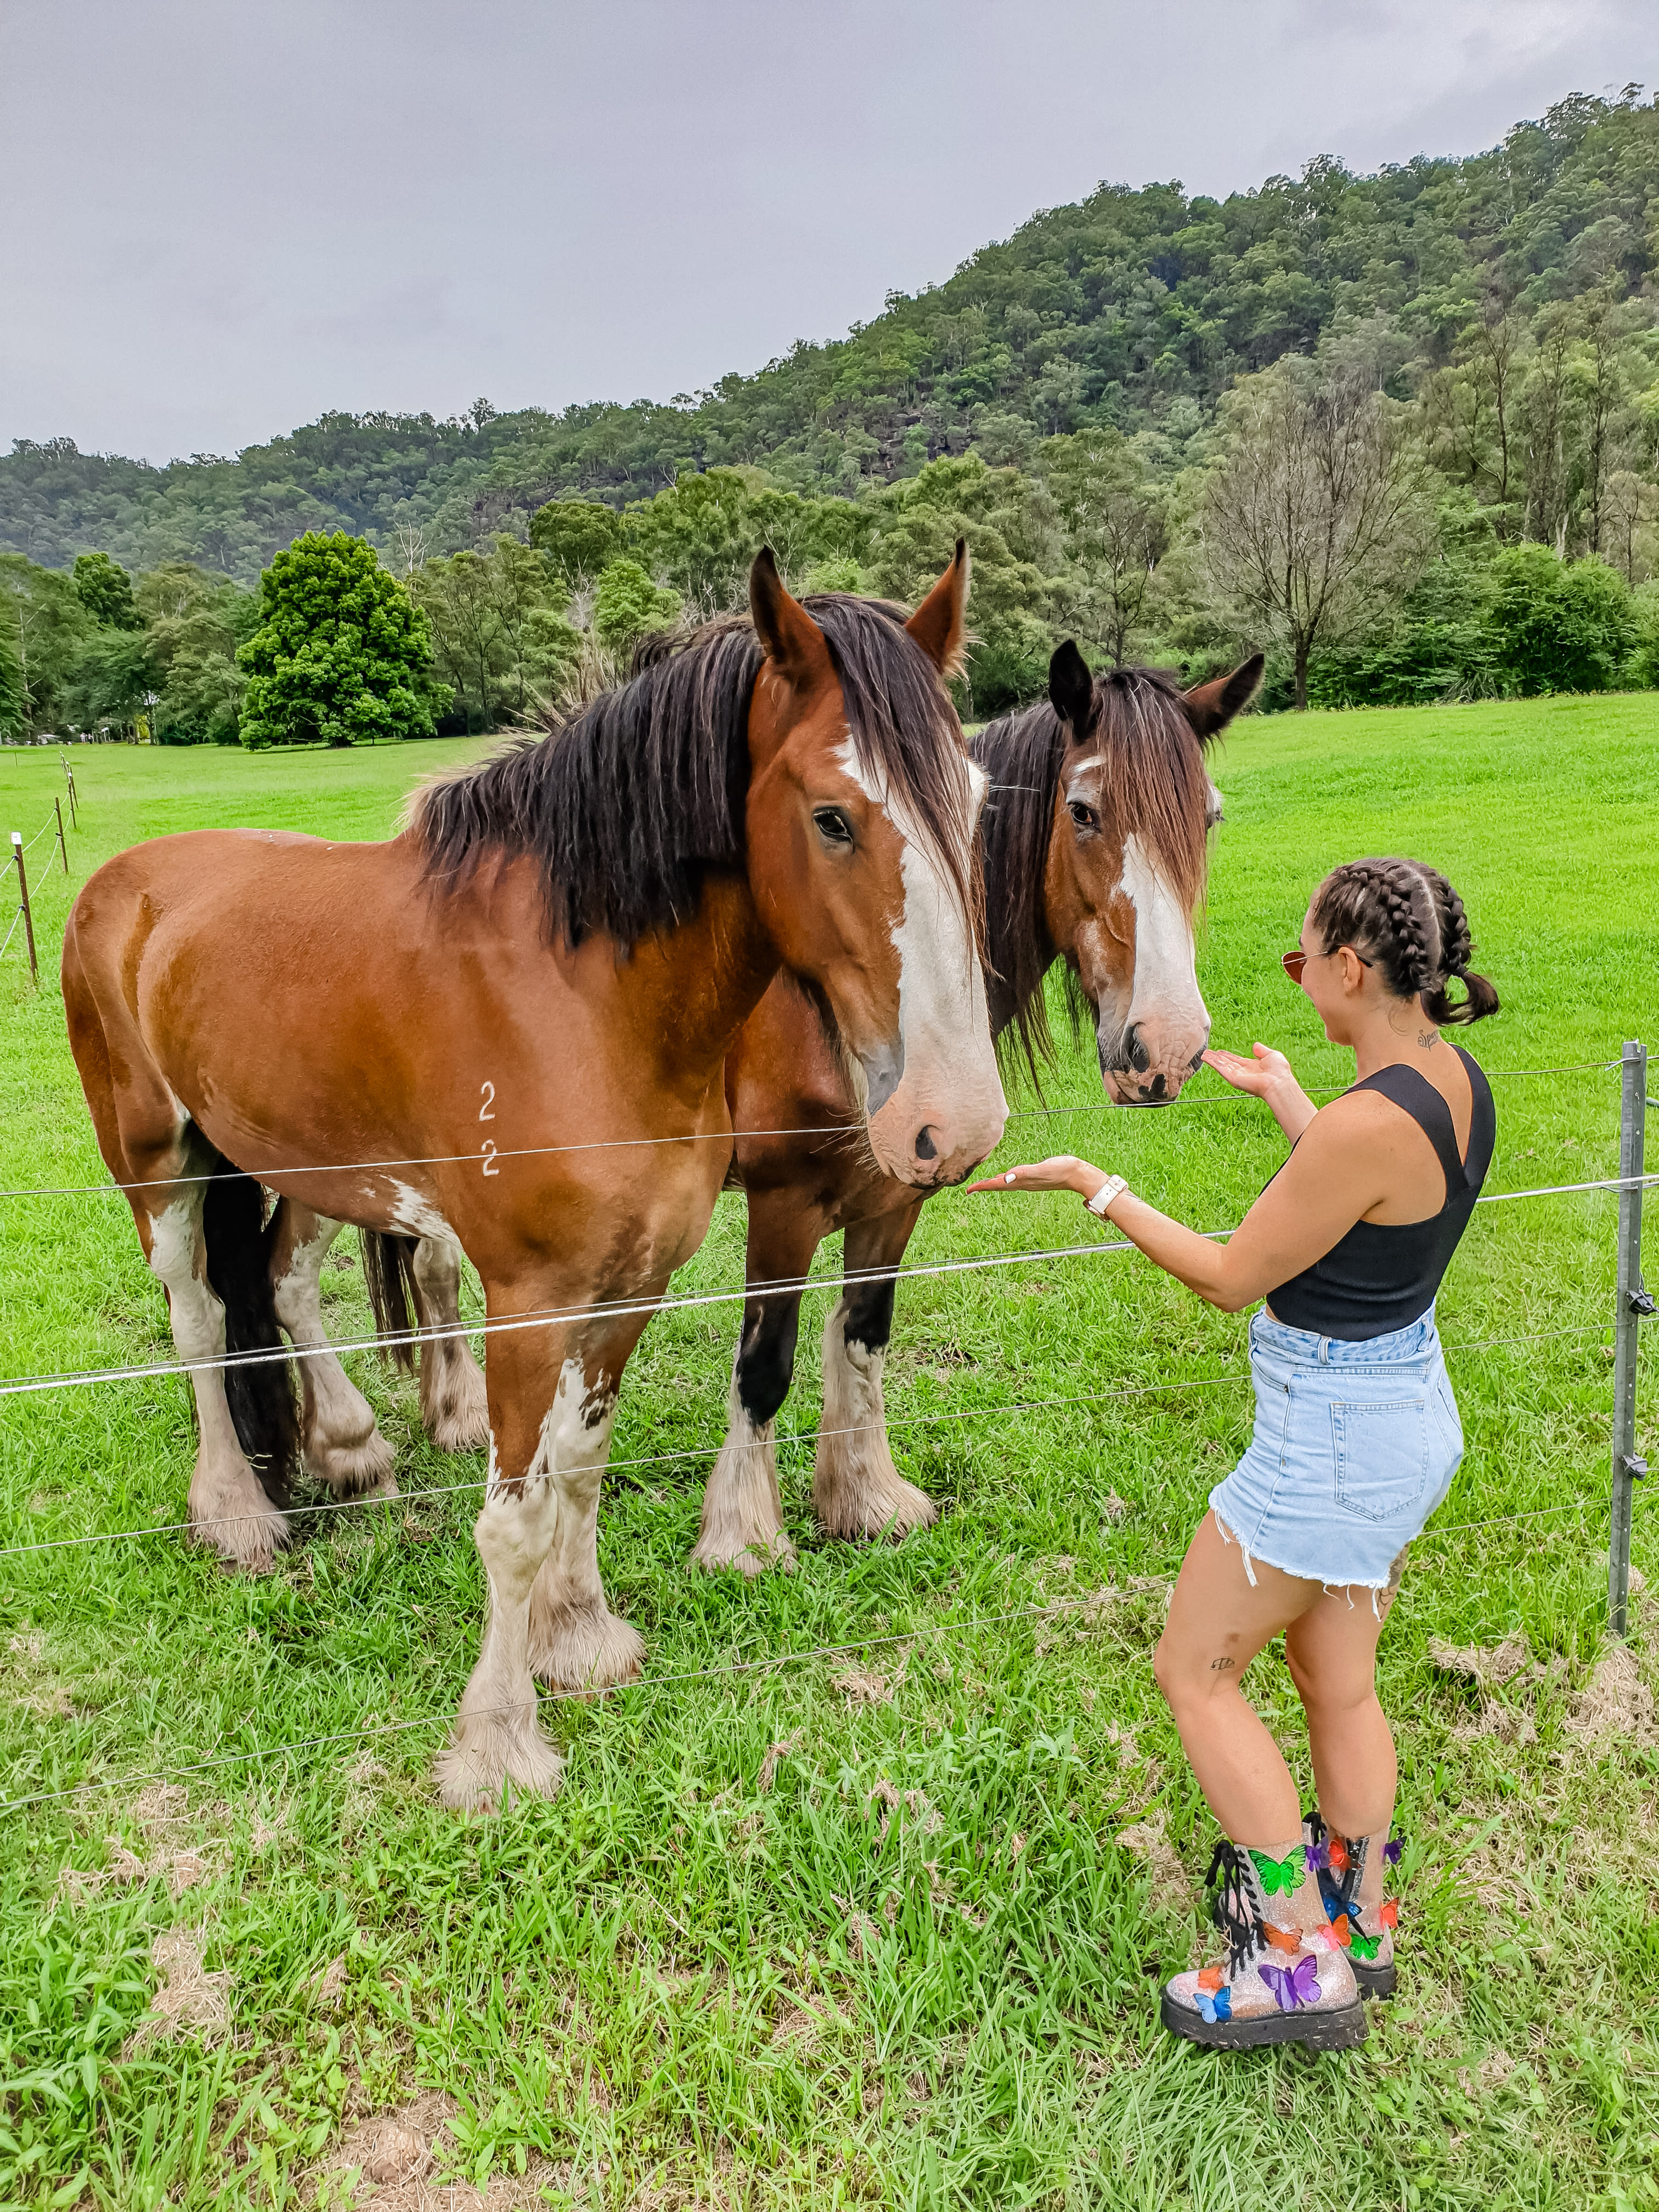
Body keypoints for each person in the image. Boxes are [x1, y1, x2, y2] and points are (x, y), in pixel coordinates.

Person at [969, 857, 1499, 2052]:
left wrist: (1096, 1186)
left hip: (1327, 1445)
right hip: (1405, 1421)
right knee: (1338, 1682)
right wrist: (1291, 1106)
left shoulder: (1365, 1127)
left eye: (1302, 959)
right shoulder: (1449, 1079)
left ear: (1352, 972)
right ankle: (1365, 1922)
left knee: (1195, 1671)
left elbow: (1227, 1276)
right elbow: (1374, 1196)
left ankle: (1299, 1967)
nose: (1297, 975)